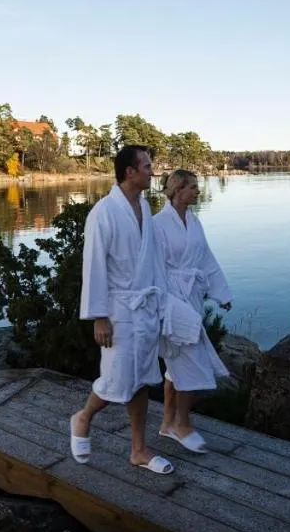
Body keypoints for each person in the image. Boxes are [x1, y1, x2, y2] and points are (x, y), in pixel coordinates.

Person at [68, 144, 175, 475]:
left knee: (143, 378)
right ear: (129, 171)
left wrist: (163, 304)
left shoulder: (144, 208)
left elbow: (155, 262)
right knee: (116, 378)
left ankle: (139, 450)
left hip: (144, 308)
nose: (151, 171)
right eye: (146, 166)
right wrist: (99, 316)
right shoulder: (104, 212)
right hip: (118, 309)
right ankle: (83, 417)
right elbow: (94, 265)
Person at [152, 169, 233, 454]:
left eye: (197, 187)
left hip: (193, 297)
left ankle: (166, 423)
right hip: (172, 301)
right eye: (193, 187)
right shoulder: (157, 225)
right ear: (177, 189)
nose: (198, 191)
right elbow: (152, 268)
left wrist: (220, 293)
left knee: (175, 366)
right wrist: (162, 305)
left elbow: (206, 258)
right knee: (191, 360)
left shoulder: (195, 222)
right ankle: (182, 423)